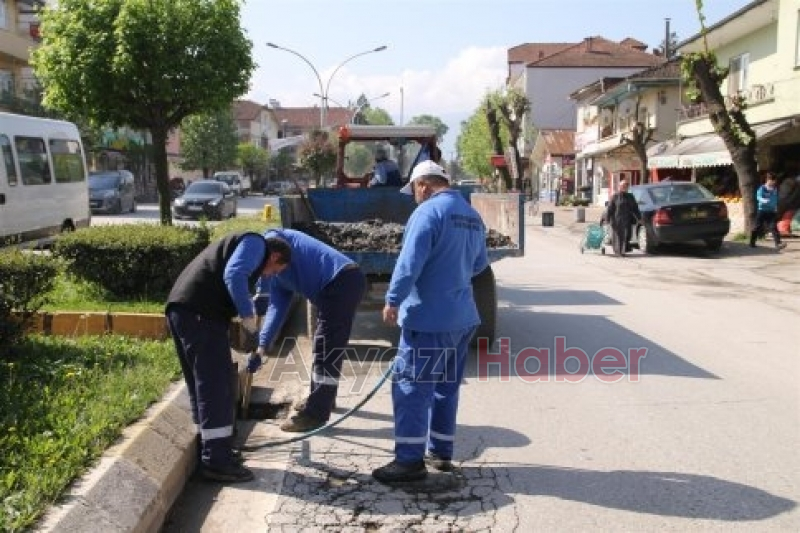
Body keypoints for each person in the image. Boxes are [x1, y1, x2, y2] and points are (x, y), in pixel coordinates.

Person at [372, 160, 489, 484]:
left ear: (423, 184)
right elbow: (480, 264)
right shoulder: (471, 214)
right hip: (462, 318)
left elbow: (409, 264)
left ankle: (409, 462)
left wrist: (393, 299)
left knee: (411, 388)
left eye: (413, 191)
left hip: (429, 319)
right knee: (445, 388)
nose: (414, 197)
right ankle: (440, 452)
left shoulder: (427, 213)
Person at [165, 232, 292, 483]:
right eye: (277, 270)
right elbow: (234, 275)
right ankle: (216, 461)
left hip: (186, 310)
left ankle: (213, 449)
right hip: (200, 313)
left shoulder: (253, 251)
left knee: (204, 385)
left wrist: (258, 338)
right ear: (275, 256)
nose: (272, 275)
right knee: (217, 386)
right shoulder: (255, 242)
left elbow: (253, 288)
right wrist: (247, 317)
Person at [249, 228, 366, 432]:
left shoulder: (276, 248)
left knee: (326, 348)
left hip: (342, 281)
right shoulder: (269, 261)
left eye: (277, 271)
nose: (272, 275)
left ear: (275, 257)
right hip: (335, 285)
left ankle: (316, 414)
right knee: (324, 346)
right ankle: (322, 399)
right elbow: (275, 308)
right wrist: (261, 345)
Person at [750, 173, 786, 250]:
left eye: (775, 181)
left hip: (771, 211)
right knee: (757, 227)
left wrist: (776, 207)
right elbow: (758, 197)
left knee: (773, 227)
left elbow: (775, 199)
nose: (774, 183)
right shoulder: (762, 188)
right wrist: (763, 200)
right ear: (768, 180)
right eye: (772, 181)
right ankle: (752, 242)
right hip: (762, 211)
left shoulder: (775, 189)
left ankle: (778, 243)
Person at [605, 179, 641, 257]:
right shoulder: (615, 196)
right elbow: (610, 208)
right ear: (620, 187)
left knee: (627, 235)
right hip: (616, 220)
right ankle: (619, 252)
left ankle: (623, 250)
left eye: (627, 186)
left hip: (627, 219)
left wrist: (639, 218)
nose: (625, 187)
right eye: (623, 186)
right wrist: (607, 219)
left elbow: (635, 208)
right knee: (618, 236)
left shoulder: (630, 196)